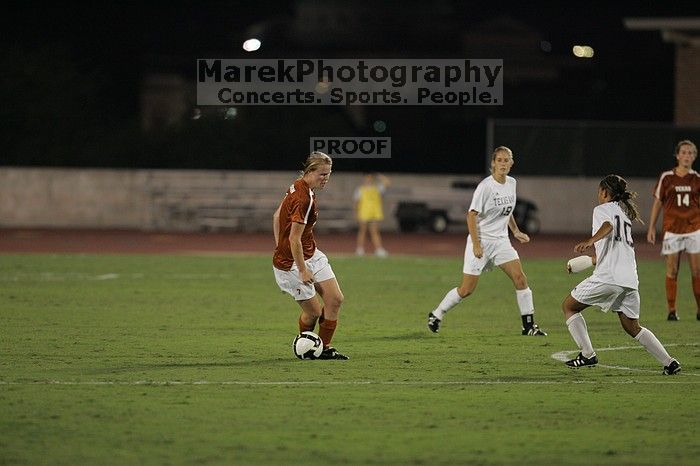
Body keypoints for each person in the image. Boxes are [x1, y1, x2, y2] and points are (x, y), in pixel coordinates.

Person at [563, 174, 681, 375]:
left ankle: (588, 354)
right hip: (629, 280)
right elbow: (612, 250)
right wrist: (590, 260)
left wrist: (590, 241)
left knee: (569, 307)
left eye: (599, 191)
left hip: (609, 278)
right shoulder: (624, 216)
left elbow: (607, 227)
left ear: (605, 192)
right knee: (632, 326)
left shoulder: (602, 210)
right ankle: (670, 362)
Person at [427, 146, 547, 336]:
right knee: (466, 289)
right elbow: (471, 215)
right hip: (481, 241)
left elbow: (507, 211)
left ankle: (529, 326)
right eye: (499, 160)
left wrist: (515, 231)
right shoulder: (485, 187)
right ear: (493, 163)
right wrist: (476, 244)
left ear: (511, 163)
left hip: (501, 242)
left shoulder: (512, 183)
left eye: (506, 160)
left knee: (520, 278)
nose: (502, 164)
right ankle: (436, 313)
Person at [273, 151, 349, 359]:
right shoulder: (303, 198)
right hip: (291, 264)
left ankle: (324, 347)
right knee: (314, 312)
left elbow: (277, 215)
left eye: (329, 174)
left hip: (311, 253)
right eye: (322, 174)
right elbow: (294, 239)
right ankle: (305, 346)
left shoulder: (299, 185)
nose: (326, 178)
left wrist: (278, 243)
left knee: (335, 299)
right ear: (310, 171)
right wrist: (303, 269)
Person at [646, 140, 700, 321]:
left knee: (696, 271)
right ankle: (671, 310)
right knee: (672, 270)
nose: (687, 156)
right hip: (672, 230)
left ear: (694, 156)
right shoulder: (666, 177)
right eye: (684, 152)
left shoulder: (697, 179)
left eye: (691, 153)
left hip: (694, 229)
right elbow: (658, 202)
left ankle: (699, 310)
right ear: (677, 155)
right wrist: (652, 227)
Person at [354, 172, 390, 257]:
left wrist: (379, 176)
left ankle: (378, 249)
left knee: (374, 231)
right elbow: (356, 202)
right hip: (364, 212)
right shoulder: (360, 189)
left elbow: (387, 183)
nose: (368, 180)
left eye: (370, 178)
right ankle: (360, 249)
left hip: (374, 212)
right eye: (367, 178)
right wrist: (356, 213)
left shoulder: (377, 188)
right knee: (362, 231)